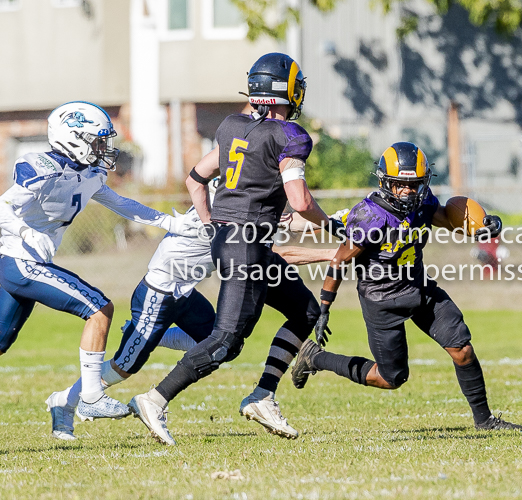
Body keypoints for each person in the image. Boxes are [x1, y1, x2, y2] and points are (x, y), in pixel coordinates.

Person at [128, 53, 345, 445]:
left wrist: (214, 222)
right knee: (226, 340)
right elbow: (299, 201)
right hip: (246, 245)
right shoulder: (290, 136)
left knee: (305, 311)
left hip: (240, 243)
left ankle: (263, 395)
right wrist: (331, 226)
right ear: (288, 90)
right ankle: (154, 398)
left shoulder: (233, 127)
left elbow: (197, 177)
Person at [46, 179, 338, 440]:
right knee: (124, 367)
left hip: (184, 291)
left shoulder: (233, 198)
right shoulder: (228, 214)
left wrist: (335, 223)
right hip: (158, 294)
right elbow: (275, 250)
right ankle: (68, 400)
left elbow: (287, 224)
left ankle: (154, 340)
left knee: (222, 344)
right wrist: (334, 252)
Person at [292, 142, 522, 431]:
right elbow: (339, 261)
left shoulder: (424, 204)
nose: (408, 191)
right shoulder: (371, 217)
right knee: (390, 378)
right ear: (386, 182)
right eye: (400, 185)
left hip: (418, 287)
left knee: (462, 349)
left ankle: (485, 421)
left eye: (414, 184)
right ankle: (315, 357)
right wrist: (325, 307)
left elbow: (448, 221)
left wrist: (482, 228)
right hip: (382, 299)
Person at [0, 101, 199, 423]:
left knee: (1, 343)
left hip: (29, 261)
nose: (103, 148)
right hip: (19, 259)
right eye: (97, 140)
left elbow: (120, 203)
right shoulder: (40, 167)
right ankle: (91, 396)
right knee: (99, 308)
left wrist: (170, 223)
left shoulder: (88, 172)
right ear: (73, 138)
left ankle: (86, 397)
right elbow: (3, 209)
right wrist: (24, 231)